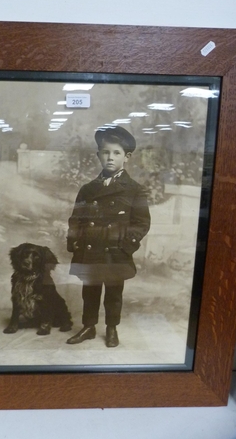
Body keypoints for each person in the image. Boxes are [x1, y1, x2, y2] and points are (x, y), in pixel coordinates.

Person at [65, 125, 151, 347]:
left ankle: (111, 328)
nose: (110, 158)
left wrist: (124, 244)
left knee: (114, 293)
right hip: (91, 249)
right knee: (89, 291)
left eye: (116, 153)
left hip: (115, 251)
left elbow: (141, 223)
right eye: (105, 152)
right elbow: (76, 218)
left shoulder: (135, 190)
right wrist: (75, 242)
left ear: (127, 157)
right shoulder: (87, 189)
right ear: (98, 155)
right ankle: (89, 327)